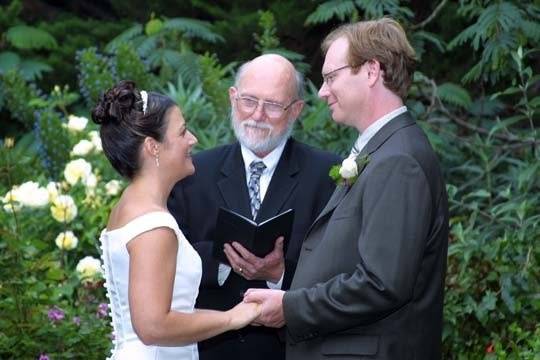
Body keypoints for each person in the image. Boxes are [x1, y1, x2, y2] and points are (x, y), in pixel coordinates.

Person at [244, 18, 449, 360]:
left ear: (371, 71)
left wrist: (291, 308)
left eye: (330, 77)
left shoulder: (398, 161)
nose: (322, 91)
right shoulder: (382, 150)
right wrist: (282, 277)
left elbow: (381, 284)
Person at [167, 54, 340, 360]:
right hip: (210, 350)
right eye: (249, 100)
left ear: (296, 110)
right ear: (233, 98)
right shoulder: (192, 173)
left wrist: (280, 274)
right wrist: (223, 262)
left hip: (291, 351)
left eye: (273, 105)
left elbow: (339, 275)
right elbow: (169, 263)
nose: (257, 115)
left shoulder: (327, 175)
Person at [92, 80, 260, 360]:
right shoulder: (154, 225)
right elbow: (153, 325)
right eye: (182, 132)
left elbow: (170, 312)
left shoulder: (129, 203)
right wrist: (232, 318)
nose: (193, 139)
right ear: (152, 146)